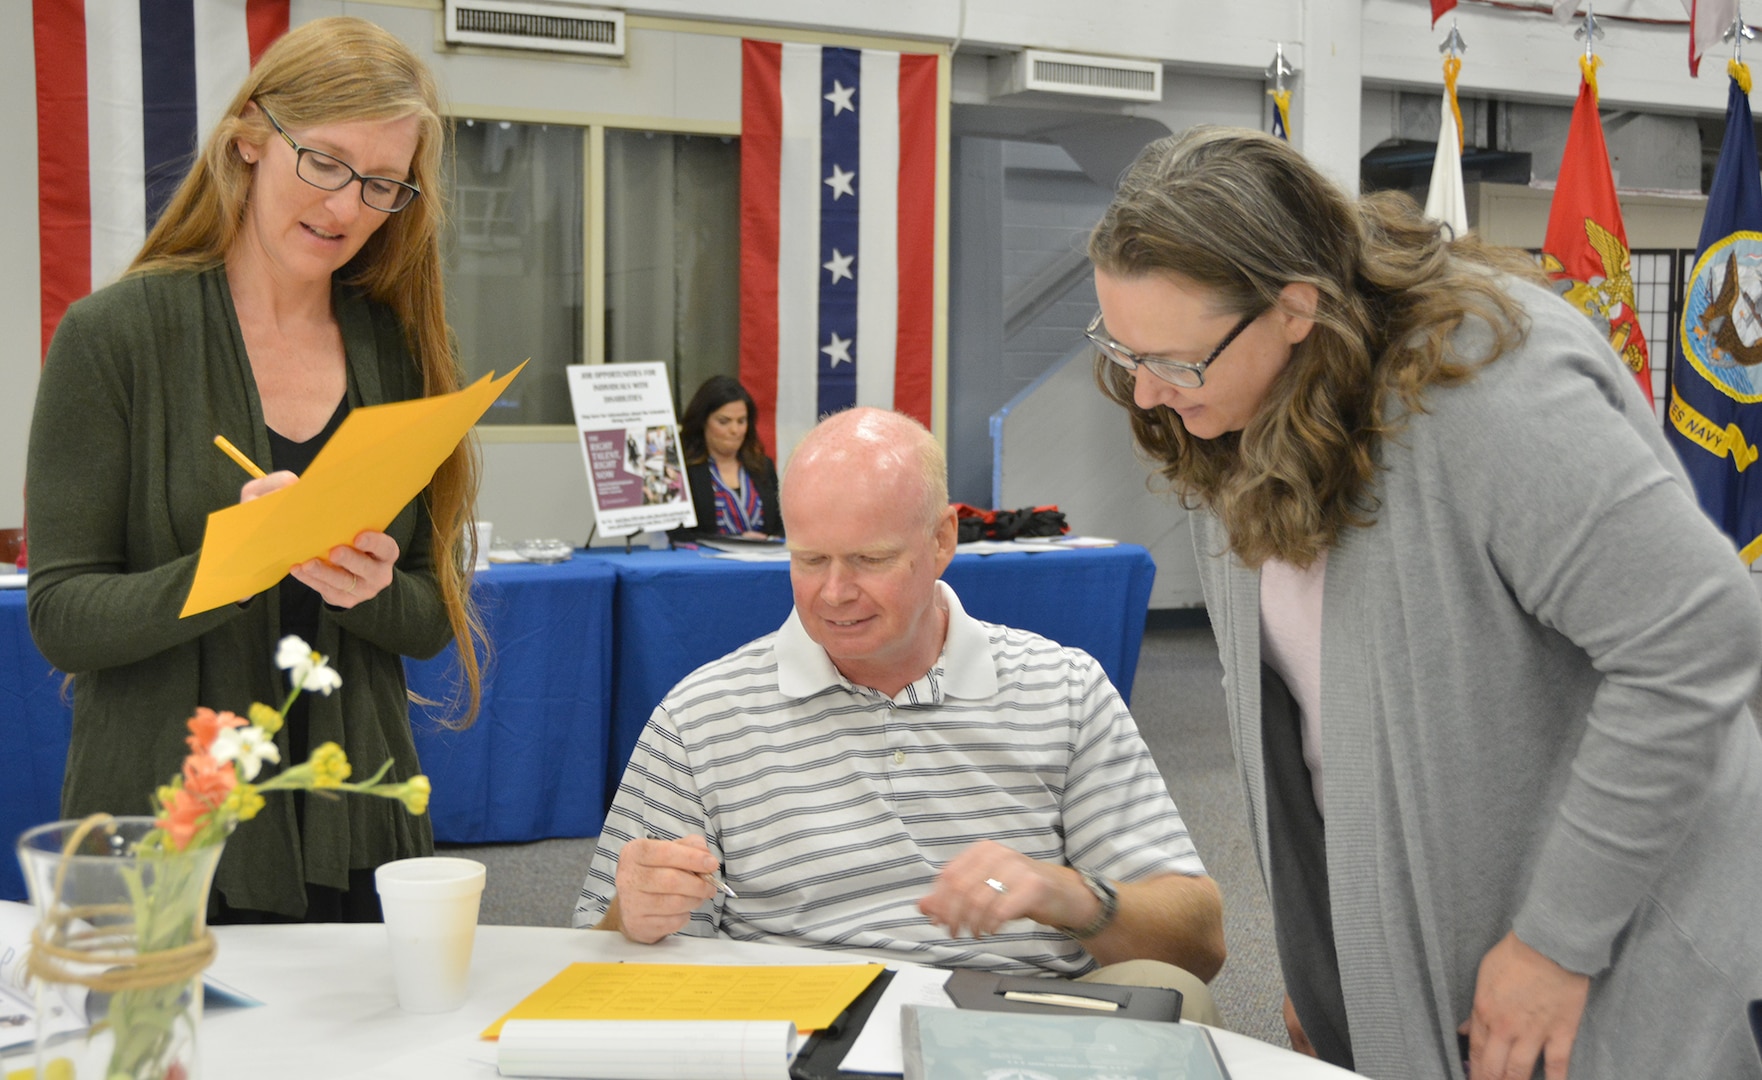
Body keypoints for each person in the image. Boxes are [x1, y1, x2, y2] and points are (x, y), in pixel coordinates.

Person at [1088, 126, 1762, 1079]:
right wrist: (1328, 962)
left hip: (1611, 951)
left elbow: (1701, 639)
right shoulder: (1229, 415)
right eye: (1122, 351)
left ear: (1295, 309)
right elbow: (1306, 729)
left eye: (1174, 361)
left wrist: (1558, 943)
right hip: (1428, 954)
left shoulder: (1487, 393)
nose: (1148, 393)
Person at [25, 17, 483, 923]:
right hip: (165, 829)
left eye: (383, 183)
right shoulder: (112, 338)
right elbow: (60, 617)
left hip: (357, 821)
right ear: (248, 142)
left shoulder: (397, 350)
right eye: (324, 161)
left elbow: (431, 617)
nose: (347, 207)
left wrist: (368, 589)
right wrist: (237, 563)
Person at [575, 407, 1227, 1020]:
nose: (835, 592)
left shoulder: (1063, 690)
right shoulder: (702, 717)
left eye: (870, 559)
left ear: (943, 538)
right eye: (809, 560)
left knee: (1176, 998)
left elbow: (1198, 948)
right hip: (795, 1026)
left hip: (1013, 1033)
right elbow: (599, 960)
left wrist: (1069, 894)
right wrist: (631, 913)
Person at [669, 375, 783, 541]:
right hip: (707, 564)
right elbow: (677, 534)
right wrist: (735, 541)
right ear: (702, 422)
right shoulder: (682, 470)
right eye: (724, 422)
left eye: (741, 421)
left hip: (762, 563)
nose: (735, 430)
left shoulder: (763, 466)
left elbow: (783, 527)